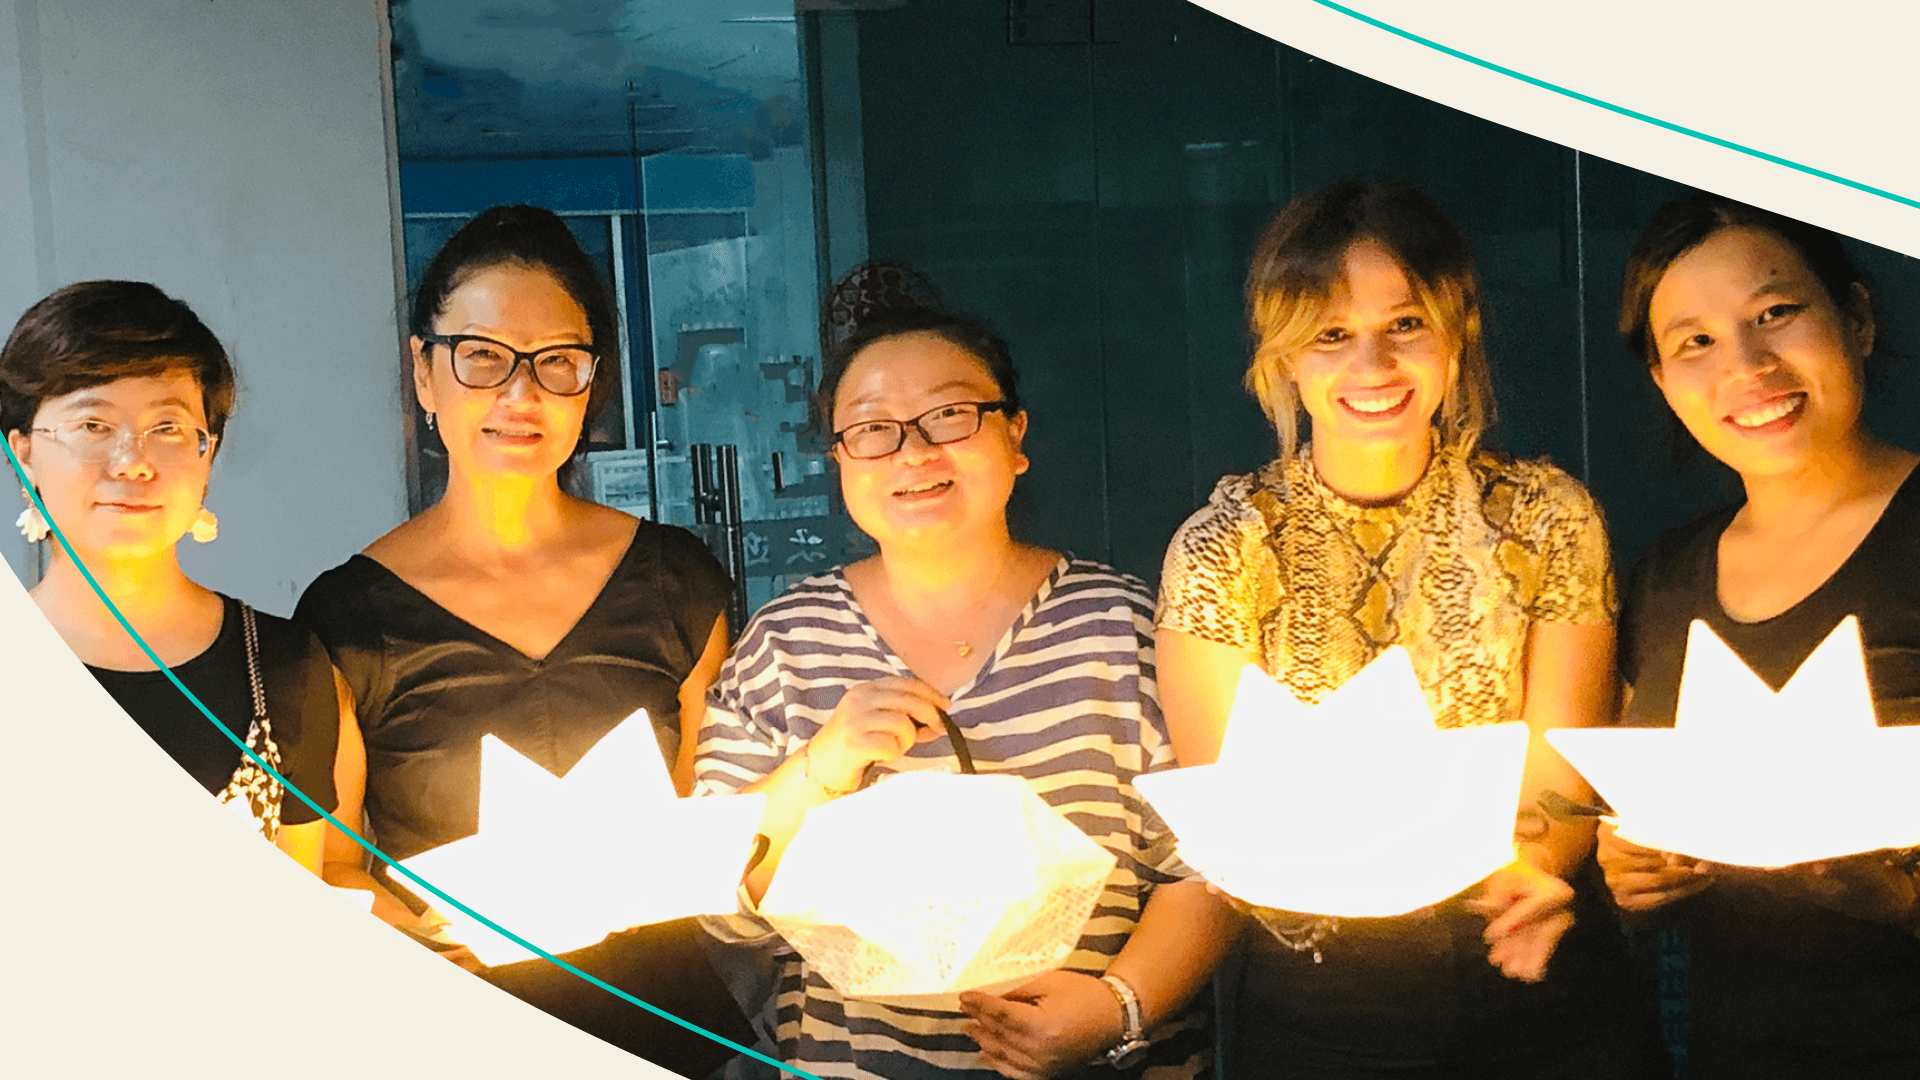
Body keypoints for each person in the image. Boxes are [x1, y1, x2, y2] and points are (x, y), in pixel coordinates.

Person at [1154, 179, 1668, 1078]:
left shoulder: (1546, 514)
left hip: (1532, 963)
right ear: (1284, 362)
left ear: (1454, 333)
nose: (1373, 365)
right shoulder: (1226, 545)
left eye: (1405, 325)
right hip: (1319, 998)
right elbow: (1233, 806)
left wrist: (1538, 866)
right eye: (1331, 335)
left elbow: (1559, 774)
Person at [695, 296, 1239, 1080]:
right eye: (874, 428)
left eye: (950, 415)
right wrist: (822, 762)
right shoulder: (786, 643)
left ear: (1015, 437)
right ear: (840, 457)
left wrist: (1119, 1005)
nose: (913, 453)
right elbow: (724, 902)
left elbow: (1212, 863)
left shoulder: (1122, 627)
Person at [293, 205, 751, 1074]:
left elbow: (714, 813)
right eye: (482, 357)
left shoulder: (674, 579)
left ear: (593, 381)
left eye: (558, 363)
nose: (520, 394)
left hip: (668, 1030)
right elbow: (333, 865)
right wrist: (428, 930)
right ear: (424, 374)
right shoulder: (348, 618)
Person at [1605, 190, 1920, 1077]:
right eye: (1694, 342)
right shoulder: (1667, 576)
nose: (1747, 364)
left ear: (1854, 319)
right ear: (1664, 383)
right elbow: (1636, 816)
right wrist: (1632, 869)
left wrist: (1897, 893)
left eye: (1776, 313)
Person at [2, 280, 360, 876]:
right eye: (93, 425)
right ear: (23, 453)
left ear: (207, 454)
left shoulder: (281, 666)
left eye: (167, 428)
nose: (133, 461)